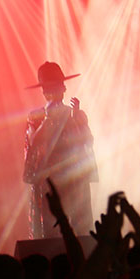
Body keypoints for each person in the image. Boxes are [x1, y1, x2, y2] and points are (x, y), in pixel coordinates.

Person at [24, 62, 98, 238]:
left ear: (63, 88)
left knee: (78, 223)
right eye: (47, 88)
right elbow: (33, 144)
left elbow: (87, 141)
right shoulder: (36, 115)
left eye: (56, 86)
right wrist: (47, 121)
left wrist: (78, 119)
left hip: (73, 176)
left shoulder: (75, 114)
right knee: (49, 227)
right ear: (43, 91)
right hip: (48, 179)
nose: (52, 92)